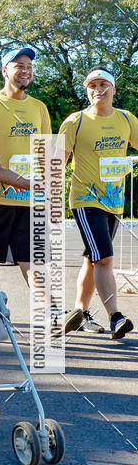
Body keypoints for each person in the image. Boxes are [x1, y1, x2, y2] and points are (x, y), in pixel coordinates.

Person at [57, 67, 137, 340]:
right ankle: (116, 317)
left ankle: (79, 313)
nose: (98, 90)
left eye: (104, 84)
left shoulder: (126, 119)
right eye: (93, 85)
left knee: (93, 260)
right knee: (104, 258)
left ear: (114, 89)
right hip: (85, 200)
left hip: (114, 201)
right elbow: (57, 162)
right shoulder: (75, 121)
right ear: (87, 91)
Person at [0, 47, 51, 285]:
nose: (25, 70)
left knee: (33, 261)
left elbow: (45, 153)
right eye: (19, 66)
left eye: (29, 66)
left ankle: (49, 307)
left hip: (30, 198)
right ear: (4, 71)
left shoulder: (39, 107)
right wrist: (13, 179)